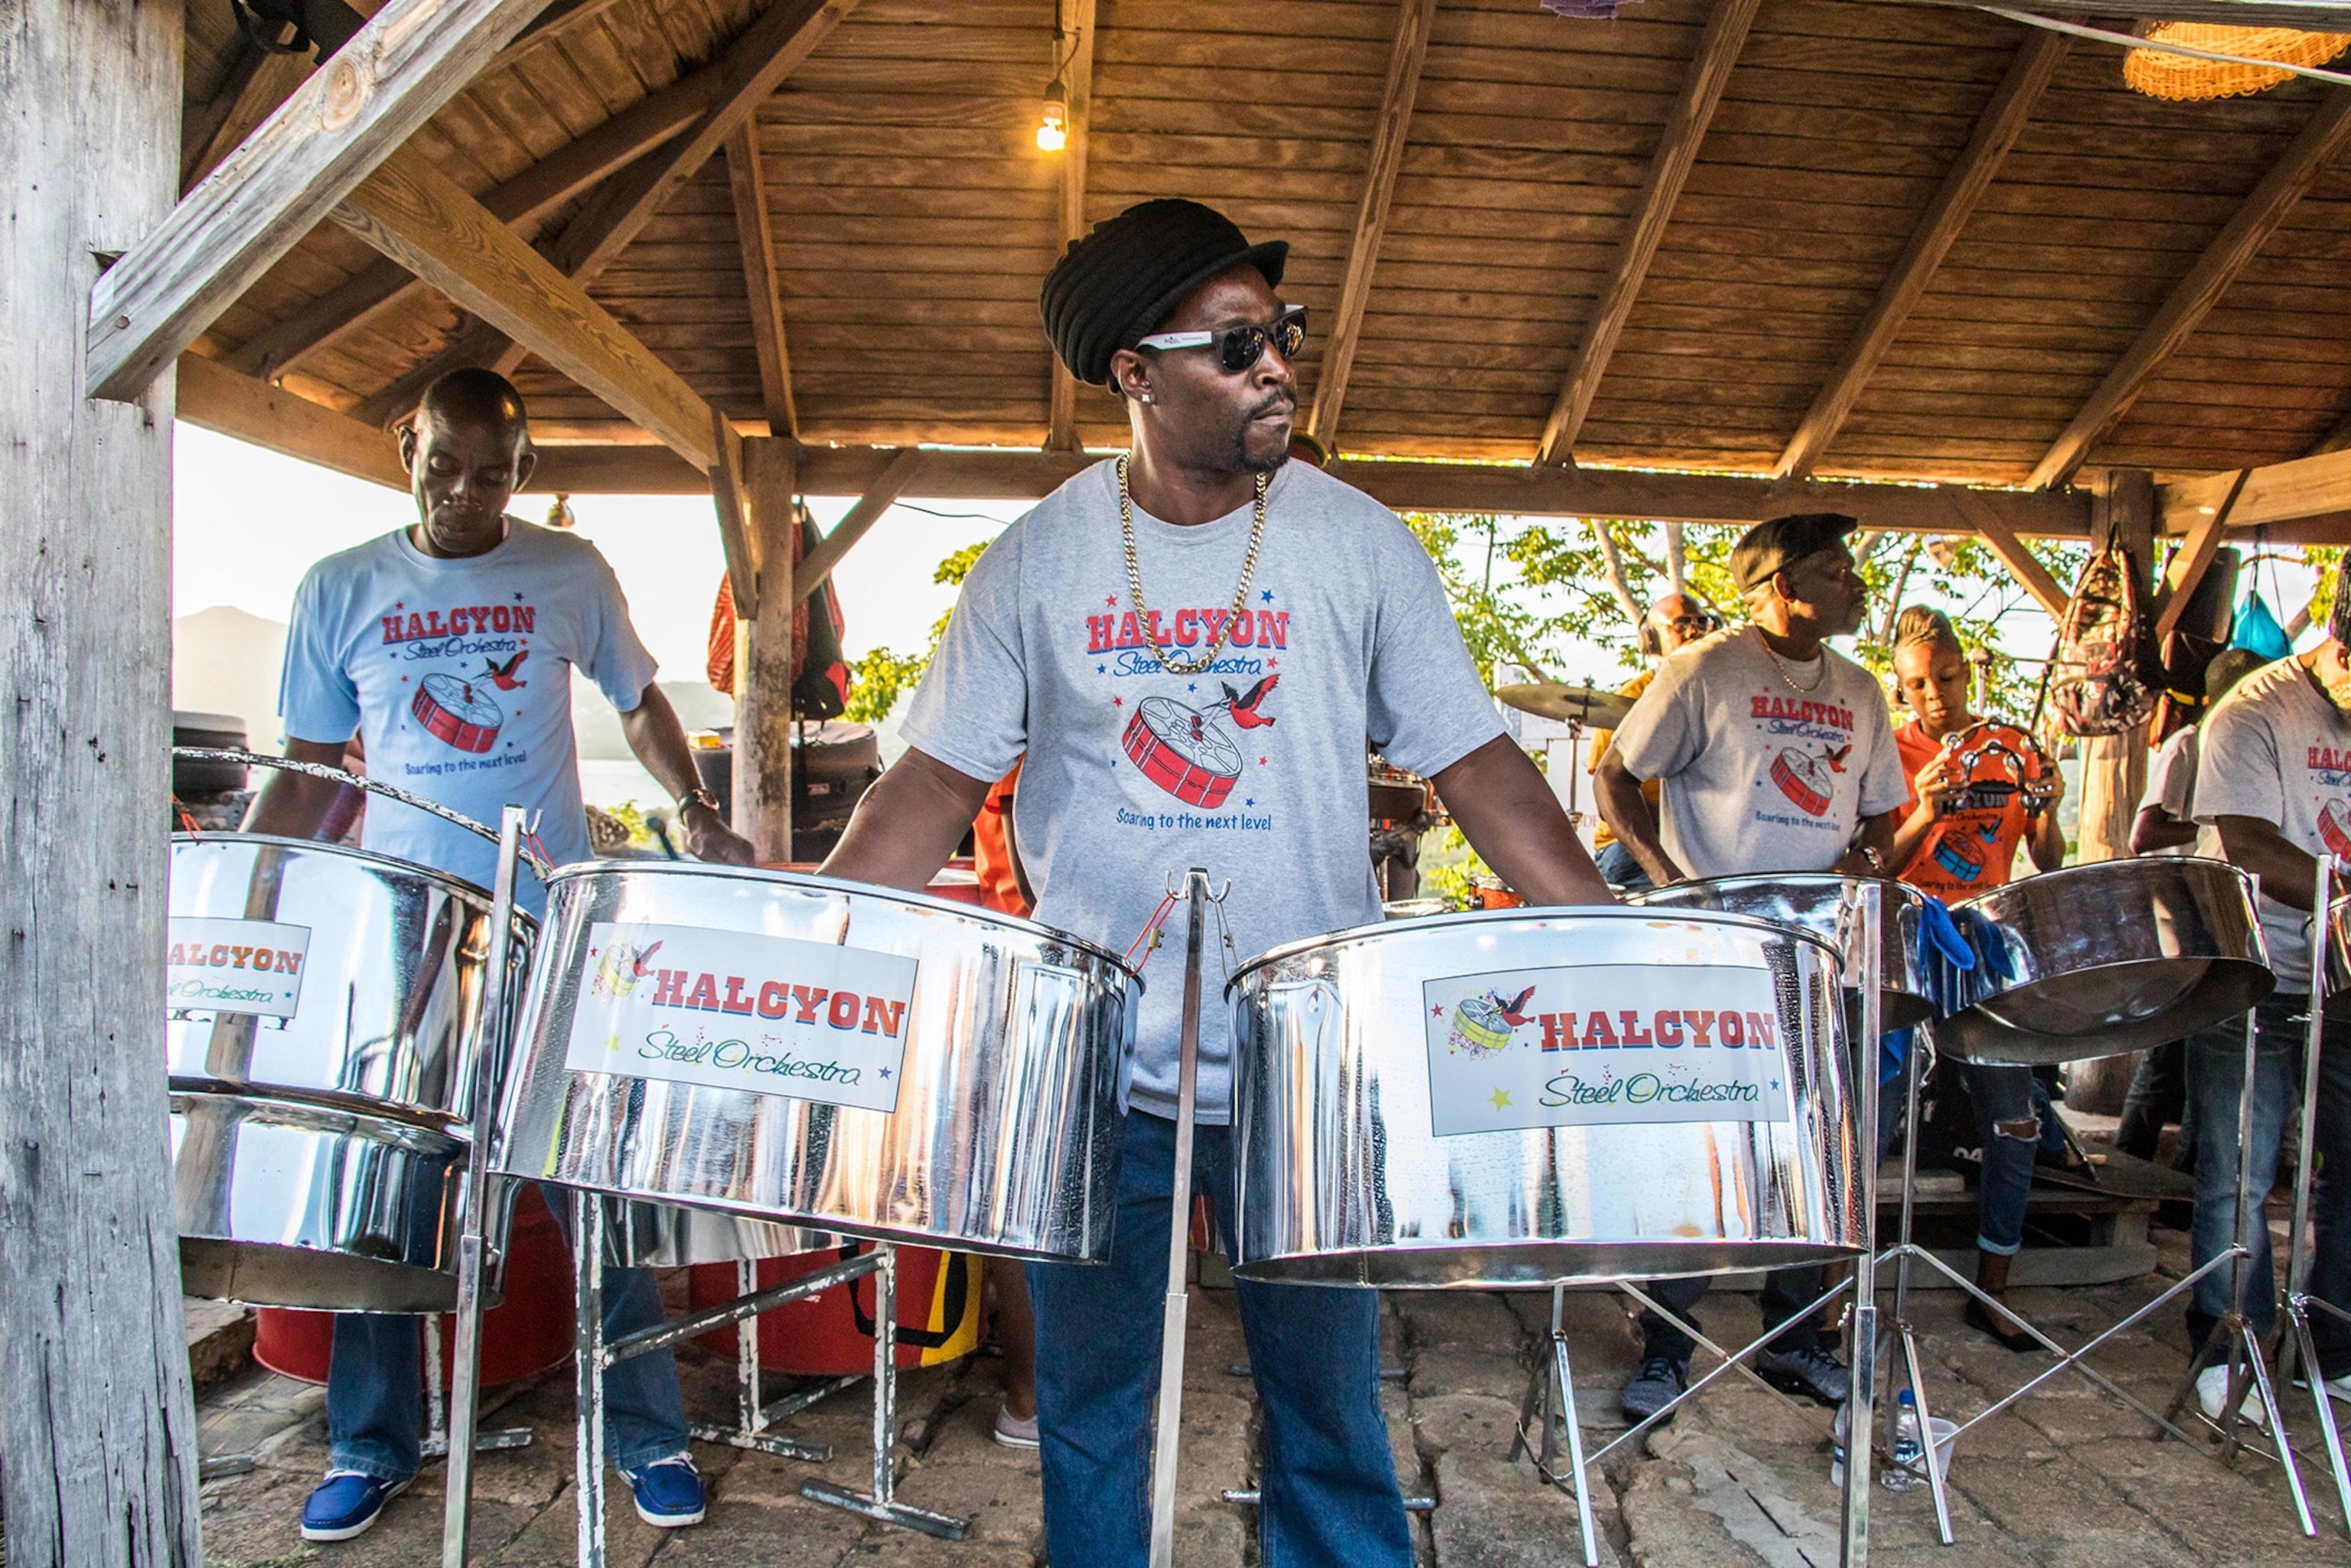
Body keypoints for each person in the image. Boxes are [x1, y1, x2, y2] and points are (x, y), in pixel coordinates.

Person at [817, 197, 1612, 1567]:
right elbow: (929, 785)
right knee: (1090, 1407)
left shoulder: (1356, 541)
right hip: (1091, 1066)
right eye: (1237, 345)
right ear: (1133, 370)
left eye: (1282, 336)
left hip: (1304, 1060)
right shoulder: (1037, 559)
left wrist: (1609, 947)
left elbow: (1477, 764)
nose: (1278, 368)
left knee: (1328, 1406)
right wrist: (809, 951)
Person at [245, 368, 756, 1543]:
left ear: (523, 473)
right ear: (405, 447)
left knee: (591, 1185)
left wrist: (692, 804)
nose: (464, 493)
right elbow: (314, 768)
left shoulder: (569, 574)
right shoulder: (341, 588)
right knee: (395, 1193)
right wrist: (244, 887)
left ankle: (648, 1434)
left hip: (547, 923)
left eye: (491, 471)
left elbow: (637, 698)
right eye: (442, 464)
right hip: (406, 932)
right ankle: (374, 1441)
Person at [1594, 512, 1907, 1423]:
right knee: (1703, 1144)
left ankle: (1798, 1340)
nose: (1856, 583)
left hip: (1821, 944)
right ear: (1782, 586)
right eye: (1837, 569)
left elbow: (1882, 814)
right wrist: (1670, 883)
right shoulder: (1704, 671)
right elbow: (1615, 775)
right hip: (1718, 942)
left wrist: (1868, 865)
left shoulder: (1862, 689)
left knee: (1820, 1143)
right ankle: (1664, 1345)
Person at [1883, 606, 2070, 1348]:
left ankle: (1995, 1289)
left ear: (1969, 669)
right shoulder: (1891, 752)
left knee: (2014, 1116)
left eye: (1948, 677)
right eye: (1918, 684)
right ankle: (1841, 1291)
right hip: (1907, 934)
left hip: (1984, 942)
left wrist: (2047, 810)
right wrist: (1924, 811)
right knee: (1878, 1109)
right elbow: (1875, 866)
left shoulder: (2008, 750)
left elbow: (2049, 861)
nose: (1936, 695)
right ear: (1901, 690)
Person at [2184, 588, 2351, 1421]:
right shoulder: (2253, 713)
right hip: (2254, 972)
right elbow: (2248, 844)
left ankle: (2334, 1343)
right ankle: (2226, 1341)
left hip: (2345, 985)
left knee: (2348, 1172)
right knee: (2239, 1174)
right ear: (2341, 650)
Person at [2116, 647, 2268, 1168]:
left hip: (2226, 915)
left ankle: (2186, 1178)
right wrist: (2214, 827)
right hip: (2182, 910)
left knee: (2211, 1051)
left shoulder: (2254, 749)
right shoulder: (2187, 745)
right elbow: (2144, 834)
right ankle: (2127, 1163)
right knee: (2168, 1051)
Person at [1589, 592, 1724, 891]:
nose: (1694, 630)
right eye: (1681, 624)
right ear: (1650, 639)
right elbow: (1608, 797)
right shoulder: (1630, 698)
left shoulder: (1723, 696)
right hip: (1629, 848)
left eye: (1702, 622)